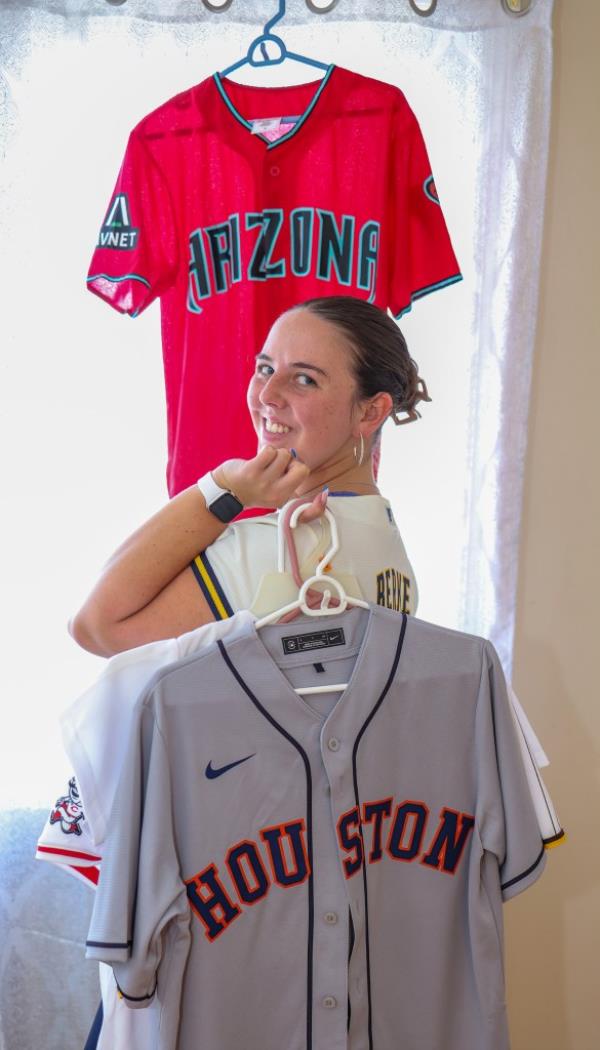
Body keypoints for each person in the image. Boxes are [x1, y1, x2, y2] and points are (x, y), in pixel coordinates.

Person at [70, 295, 430, 658]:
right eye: (265, 369)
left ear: (370, 411)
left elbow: (96, 628)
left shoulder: (271, 553)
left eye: (304, 379)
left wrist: (222, 488)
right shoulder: (391, 552)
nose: (268, 396)